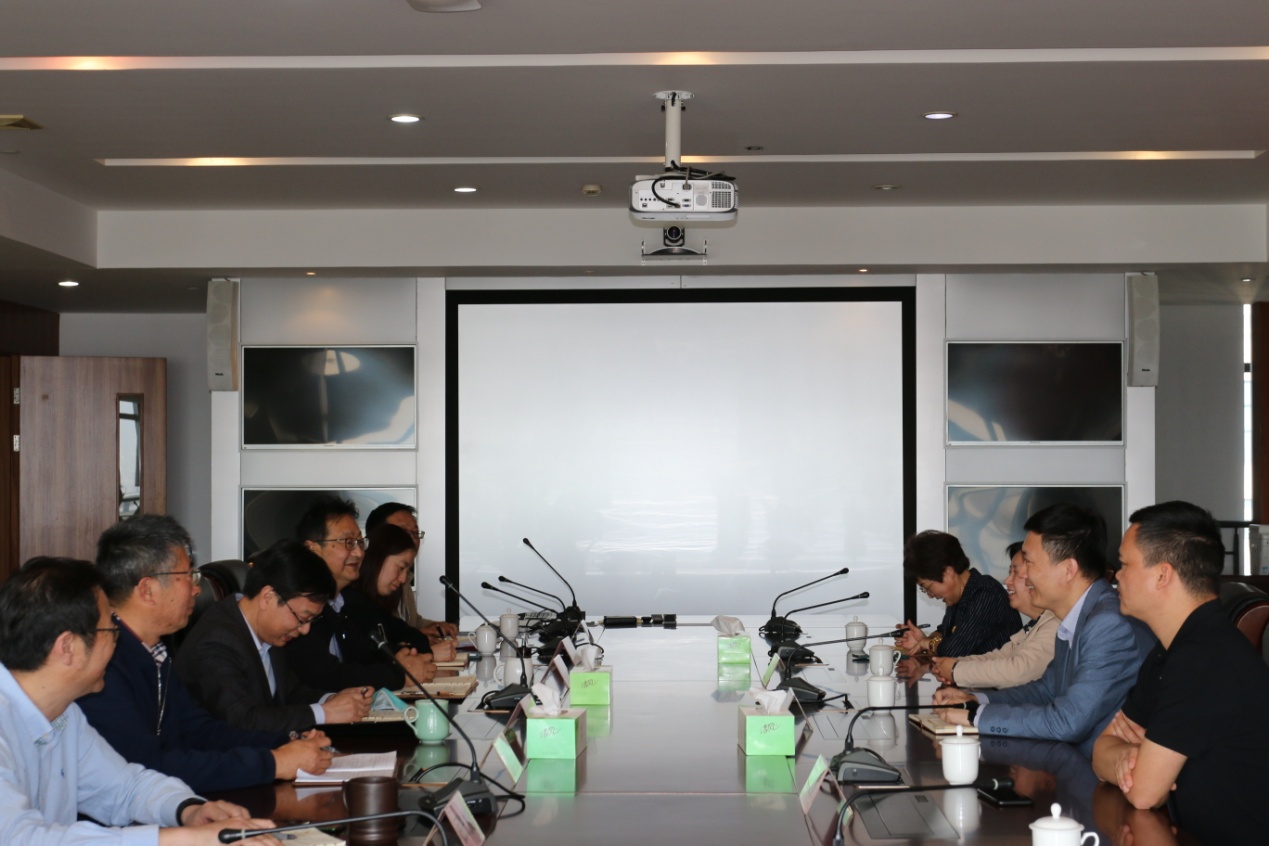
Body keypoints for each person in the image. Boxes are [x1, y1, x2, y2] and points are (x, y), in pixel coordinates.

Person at [0, 556, 281, 846]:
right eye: (111, 630)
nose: (117, 641)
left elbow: (125, 786)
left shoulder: (65, 714)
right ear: (67, 647)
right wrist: (185, 839)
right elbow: (18, 839)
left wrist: (189, 810)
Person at [78, 514, 332, 792]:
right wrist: (272, 763)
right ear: (148, 590)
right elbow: (148, 766)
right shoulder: (103, 665)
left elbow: (201, 732)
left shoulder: (154, 653)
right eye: (188, 576)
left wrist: (288, 742)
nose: (197, 589)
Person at [1093, 501, 1269, 845]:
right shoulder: (1171, 650)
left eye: (1125, 564)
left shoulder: (1205, 659)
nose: (1118, 575)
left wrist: (1140, 767)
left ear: (1162, 575)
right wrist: (1128, 758)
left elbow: (1144, 793)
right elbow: (1102, 747)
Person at [934, 503, 1155, 753]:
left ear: (1068, 570)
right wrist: (977, 700)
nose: (1024, 576)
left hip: (1099, 768)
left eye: (1029, 563)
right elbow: (1045, 691)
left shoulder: (1107, 624)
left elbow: (1067, 722)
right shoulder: (1078, 614)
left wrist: (975, 717)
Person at [175, 540, 374, 734]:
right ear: (268, 597)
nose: (305, 630)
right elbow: (242, 721)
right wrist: (324, 713)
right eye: (302, 618)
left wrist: (331, 700)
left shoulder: (266, 632)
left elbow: (290, 693)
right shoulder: (216, 643)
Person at [284, 496, 438, 691]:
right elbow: (325, 675)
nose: (358, 553)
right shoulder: (297, 605)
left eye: (360, 542)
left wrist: (403, 657)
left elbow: (367, 655)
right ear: (312, 548)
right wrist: (400, 674)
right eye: (348, 542)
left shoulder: (342, 602)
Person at [931, 541, 1059, 688]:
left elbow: (1017, 671)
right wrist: (954, 665)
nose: (1007, 580)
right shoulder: (1037, 623)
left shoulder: (1057, 624)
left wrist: (955, 670)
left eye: (1016, 572)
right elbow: (1001, 656)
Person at [894, 530, 1021, 658]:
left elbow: (953, 651)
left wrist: (929, 643)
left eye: (927, 587)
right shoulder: (959, 596)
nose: (930, 595)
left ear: (947, 572)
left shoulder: (987, 593)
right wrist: (924, 640)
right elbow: (944, 633)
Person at [345, 524, 456, 664]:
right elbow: (367, 658)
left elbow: (413, 636)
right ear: (378, 558)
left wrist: (410, 648)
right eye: (401, 568)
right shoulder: (349, 603)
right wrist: (427, 653)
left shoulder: (375, 606)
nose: (403, 579)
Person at [364, 502, 457, 640]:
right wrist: (415, 639)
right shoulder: (362, 592)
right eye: (403, 532)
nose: (412, 538)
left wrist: (435, 626)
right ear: (379, 537)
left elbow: (411, 623)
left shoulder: (402, 577)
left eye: (415, 532)